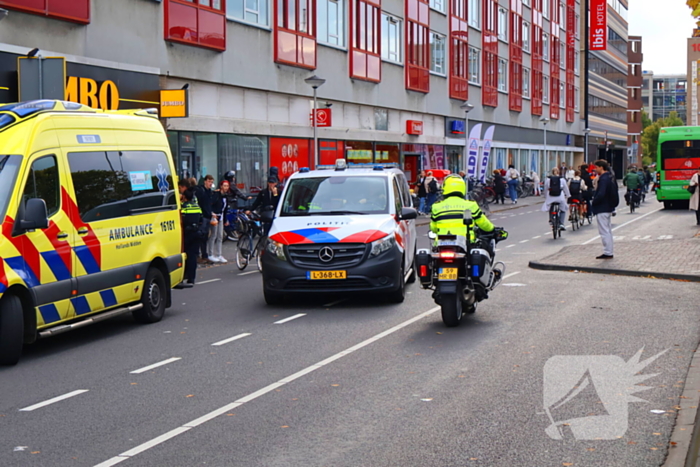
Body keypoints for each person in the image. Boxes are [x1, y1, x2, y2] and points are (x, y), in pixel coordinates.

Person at [430, 175, 501, 246]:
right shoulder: (471, 205)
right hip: (466, 243)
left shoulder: (436, 206)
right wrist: (492, 229)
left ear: (445, 188)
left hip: (441, 244)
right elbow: (483, 223)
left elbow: (433, 228)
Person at [591, 160, 618, 259]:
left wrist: (594, 202)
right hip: (608, 206)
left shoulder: (603, 179)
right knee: (608, 230)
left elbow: (601, 193)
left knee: (604, 231)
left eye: (596, 167)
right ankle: (609, 251)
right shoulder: (610, 177)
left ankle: (608, 252)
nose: (595, 169)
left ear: (601, 167)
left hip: (602, 207)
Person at [181, 188, 203, 285]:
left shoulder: (183, 207)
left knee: (185, 255)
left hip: (187, 233)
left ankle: (182, 276)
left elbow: (181, 220)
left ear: (184, 197)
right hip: (196, 232)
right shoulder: (197, 207)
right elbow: (201, 219)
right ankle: (192, 278)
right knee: (193, 256)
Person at [195, 175, 215, 264]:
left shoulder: (209, 192)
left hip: (208, 216)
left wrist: (211, 213)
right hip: (202, 216)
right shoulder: (201, 191)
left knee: (205, 237)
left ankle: (204, 255)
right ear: (205, 181)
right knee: (200, 236)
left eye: (212, 182)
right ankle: (198, 255)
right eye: (209, 182)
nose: (211, 184)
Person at [208, 180, 229, 263]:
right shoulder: (216, 195)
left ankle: (219, 254)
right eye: (224, 186)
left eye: (227, 186)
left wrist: (225, 219)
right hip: (215, 216)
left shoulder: (226, 196)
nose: (226, 188)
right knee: (213, 235)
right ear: (221, 186)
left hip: (221, 217)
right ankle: (210, 254)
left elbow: (225, 209)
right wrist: (212, 213)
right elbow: (210, 204)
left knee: (220, 236)